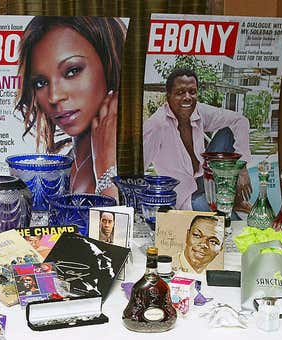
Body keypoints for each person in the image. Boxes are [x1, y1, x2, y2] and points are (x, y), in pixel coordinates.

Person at [15, 17, 128, 198]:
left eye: (72, 71)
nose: (54, 96)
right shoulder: (63, 165)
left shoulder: (142, 154)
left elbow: (121, 225)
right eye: (41, 82)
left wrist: (107, 170)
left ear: (109, 62)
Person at [143, 68, 252, 213]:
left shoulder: (199, 111)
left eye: (192, 92)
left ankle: (236, 200)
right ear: (168, 96)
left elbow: (240, 120)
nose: (187, 97)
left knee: (227, 131)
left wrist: (241, 167)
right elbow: (137, 168)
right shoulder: (157, 125)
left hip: (207, 179)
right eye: (180, 92)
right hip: (185, 196)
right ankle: (226, 204)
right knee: (223, 221)